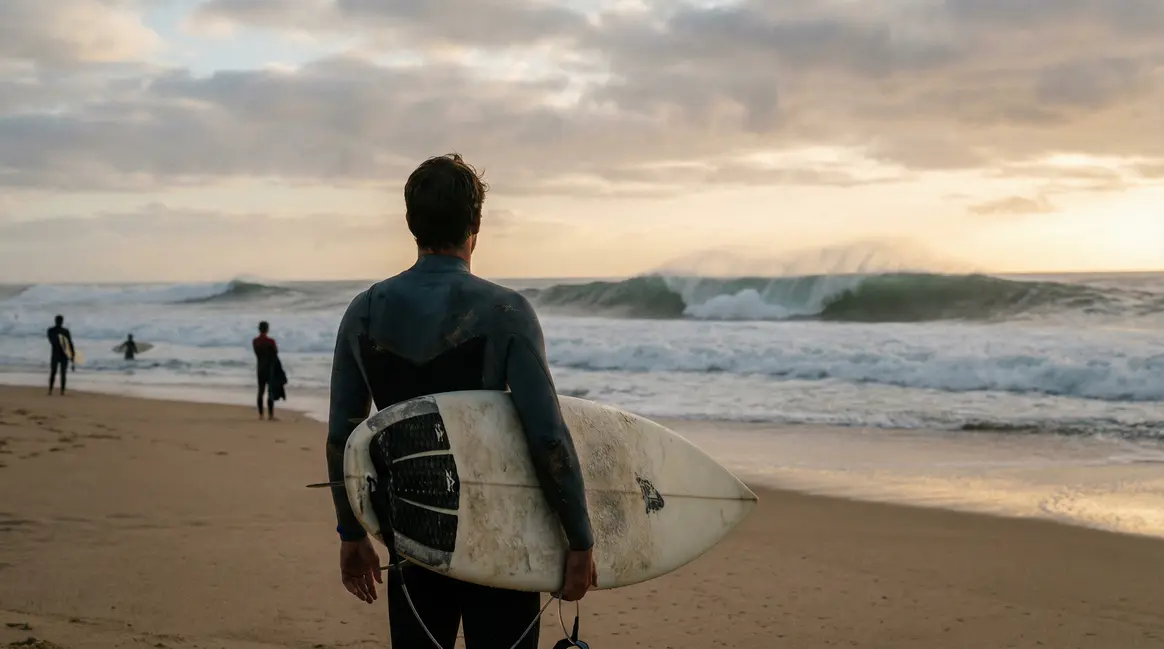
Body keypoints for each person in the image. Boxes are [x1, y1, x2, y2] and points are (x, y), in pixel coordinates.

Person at [325, 153, 596, 649]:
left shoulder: (363, 312)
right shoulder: (506, 311)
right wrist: (579, 538)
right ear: (477, 224)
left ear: (410, 224)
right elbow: (547, 436)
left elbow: (343, 435)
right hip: (500, 535)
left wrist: (351, 532)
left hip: (412, 532)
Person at [252, 321, 280, 420]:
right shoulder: (271, 341)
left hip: (260, 368)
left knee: (260, 391)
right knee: (270, 392)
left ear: (259, 329)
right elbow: (276, 352)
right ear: (267, 329)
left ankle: (260, 415)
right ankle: (271, 415)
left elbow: (257, 353)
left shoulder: (255, 341)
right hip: (269, 368)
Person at [46, 314, 75, 395]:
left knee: (53, 372)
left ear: (55, 321)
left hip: (55, 353)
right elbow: (70, 344)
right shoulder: (65, 331)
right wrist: (72, 355)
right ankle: (62, 391)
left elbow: (52, 341)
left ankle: (50, 390)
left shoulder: (50, 331)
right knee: (63, 373)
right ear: (62, 322)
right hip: (64, 354)